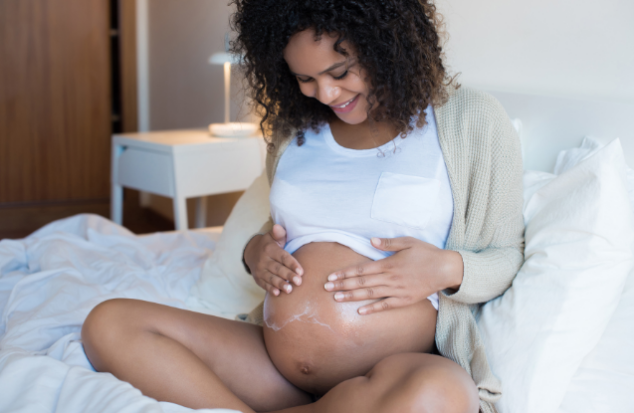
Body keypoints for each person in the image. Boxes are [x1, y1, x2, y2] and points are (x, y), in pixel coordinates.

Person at [81, 1, 524, 413]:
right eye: (305, 79)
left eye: (341, 71)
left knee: (442, 395)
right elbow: (283, 230)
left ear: (386, 45)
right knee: (109, 324)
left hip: (390, 374)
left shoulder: (471, 119)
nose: (327, 94)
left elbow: (507, 254)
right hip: (273, 371)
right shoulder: (293, 129)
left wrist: (445, 269)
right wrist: (253, 252)